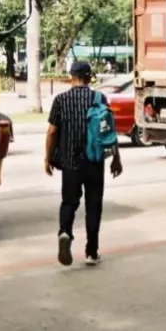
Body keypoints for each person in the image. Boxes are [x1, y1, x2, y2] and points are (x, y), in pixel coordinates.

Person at [44, 60, 123, 267]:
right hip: (95, 161)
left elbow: (52, 132)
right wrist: (116, 158)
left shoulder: (61, 100)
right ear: (89, 78)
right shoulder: (99, 98)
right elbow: (108, 131)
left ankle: (65, 232)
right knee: (93, 206)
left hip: (70, 162)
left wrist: (47, 158)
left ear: (71, 76)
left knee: (69, 202)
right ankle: (91, 252)